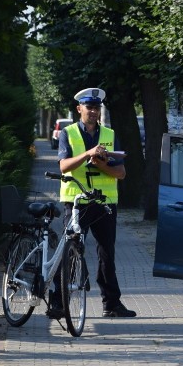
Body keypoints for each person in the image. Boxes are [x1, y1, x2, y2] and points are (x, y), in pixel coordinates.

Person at [54, 87, 136, 318]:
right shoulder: (67, 133)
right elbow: (63, 166)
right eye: (89, 107)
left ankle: (112, 304)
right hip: (76, 200)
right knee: (71, 249)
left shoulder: (109, 134)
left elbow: (120, 173)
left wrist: (100, 163)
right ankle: (59, 302)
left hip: (105, 201)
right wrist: (87, 154)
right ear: (79, 109)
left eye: (96, 107)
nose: (93, 111)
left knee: (106, 254)